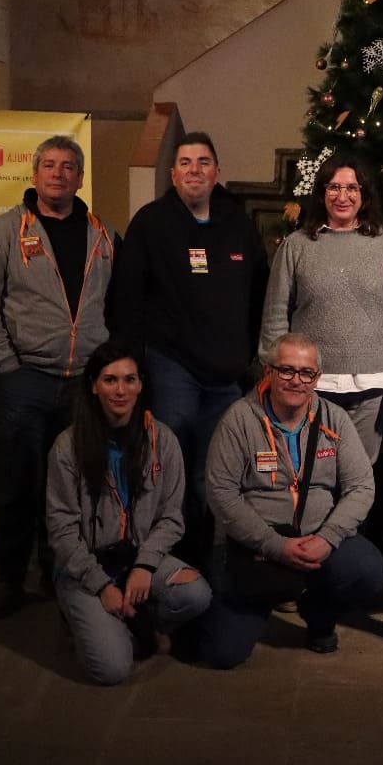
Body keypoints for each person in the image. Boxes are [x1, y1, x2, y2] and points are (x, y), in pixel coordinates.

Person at [0, 135, 119, 619]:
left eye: (68, 166)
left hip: (82, 384)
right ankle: (8, 578)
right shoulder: (5, 232)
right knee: (15, 484)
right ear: (34, 174)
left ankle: (61, 573)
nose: (58, 173)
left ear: (79, 177)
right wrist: (6, 364)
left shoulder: (103, 235)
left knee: (73, 487)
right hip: (24, 380)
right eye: (49, 165)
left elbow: (115, 304)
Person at [111, 132, 269, 566]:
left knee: (215, 471)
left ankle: (204, 563)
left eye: (203, 162)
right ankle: (165, 556)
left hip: (227, 372)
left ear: (217, 172)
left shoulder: (238, 223)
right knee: (172, 456)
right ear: (172, 173)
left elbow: (260, 292)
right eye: (185, 162)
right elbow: (126, 298)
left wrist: (254, 355)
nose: (194, 170)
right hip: (172, 364)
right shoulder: (151, 223)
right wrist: (131, 362)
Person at [201, 333, 383, 667]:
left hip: (318, 541)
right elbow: (221, 494)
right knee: (223, 655)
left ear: (317, 378)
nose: (296, 380)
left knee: (368, 571)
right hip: (257, 548)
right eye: (286, 370)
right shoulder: (239, 420)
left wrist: (327, 539)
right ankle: (258, 600)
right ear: (269, 371)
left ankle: (318, 612)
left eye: (306, 373)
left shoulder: (334, 418)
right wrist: (275, 546)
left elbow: (361, 486)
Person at [46, 342, 212, 685]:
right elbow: (61, 531)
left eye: (129, 379)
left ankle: (136, 620)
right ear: (94, 386)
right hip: (86, 567)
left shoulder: (163, 440)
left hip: (138, 557)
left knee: (196, 595)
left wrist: (144, 565)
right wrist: (101, 585)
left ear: (140, 385)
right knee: (111, 670)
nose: (120, 390)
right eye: (110, 380)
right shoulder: (67, 446)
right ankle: (94, 617)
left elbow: (172, 518)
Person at [259, 152, 383, 464]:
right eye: (334, 187)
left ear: (365, 194)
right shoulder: (297, 246)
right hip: (309, 384)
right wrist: (275, 373)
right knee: (310, 470)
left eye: (352, 188)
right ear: (322, 192)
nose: (342, 196)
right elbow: (275, 315)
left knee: (358, 474)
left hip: (372, 385)